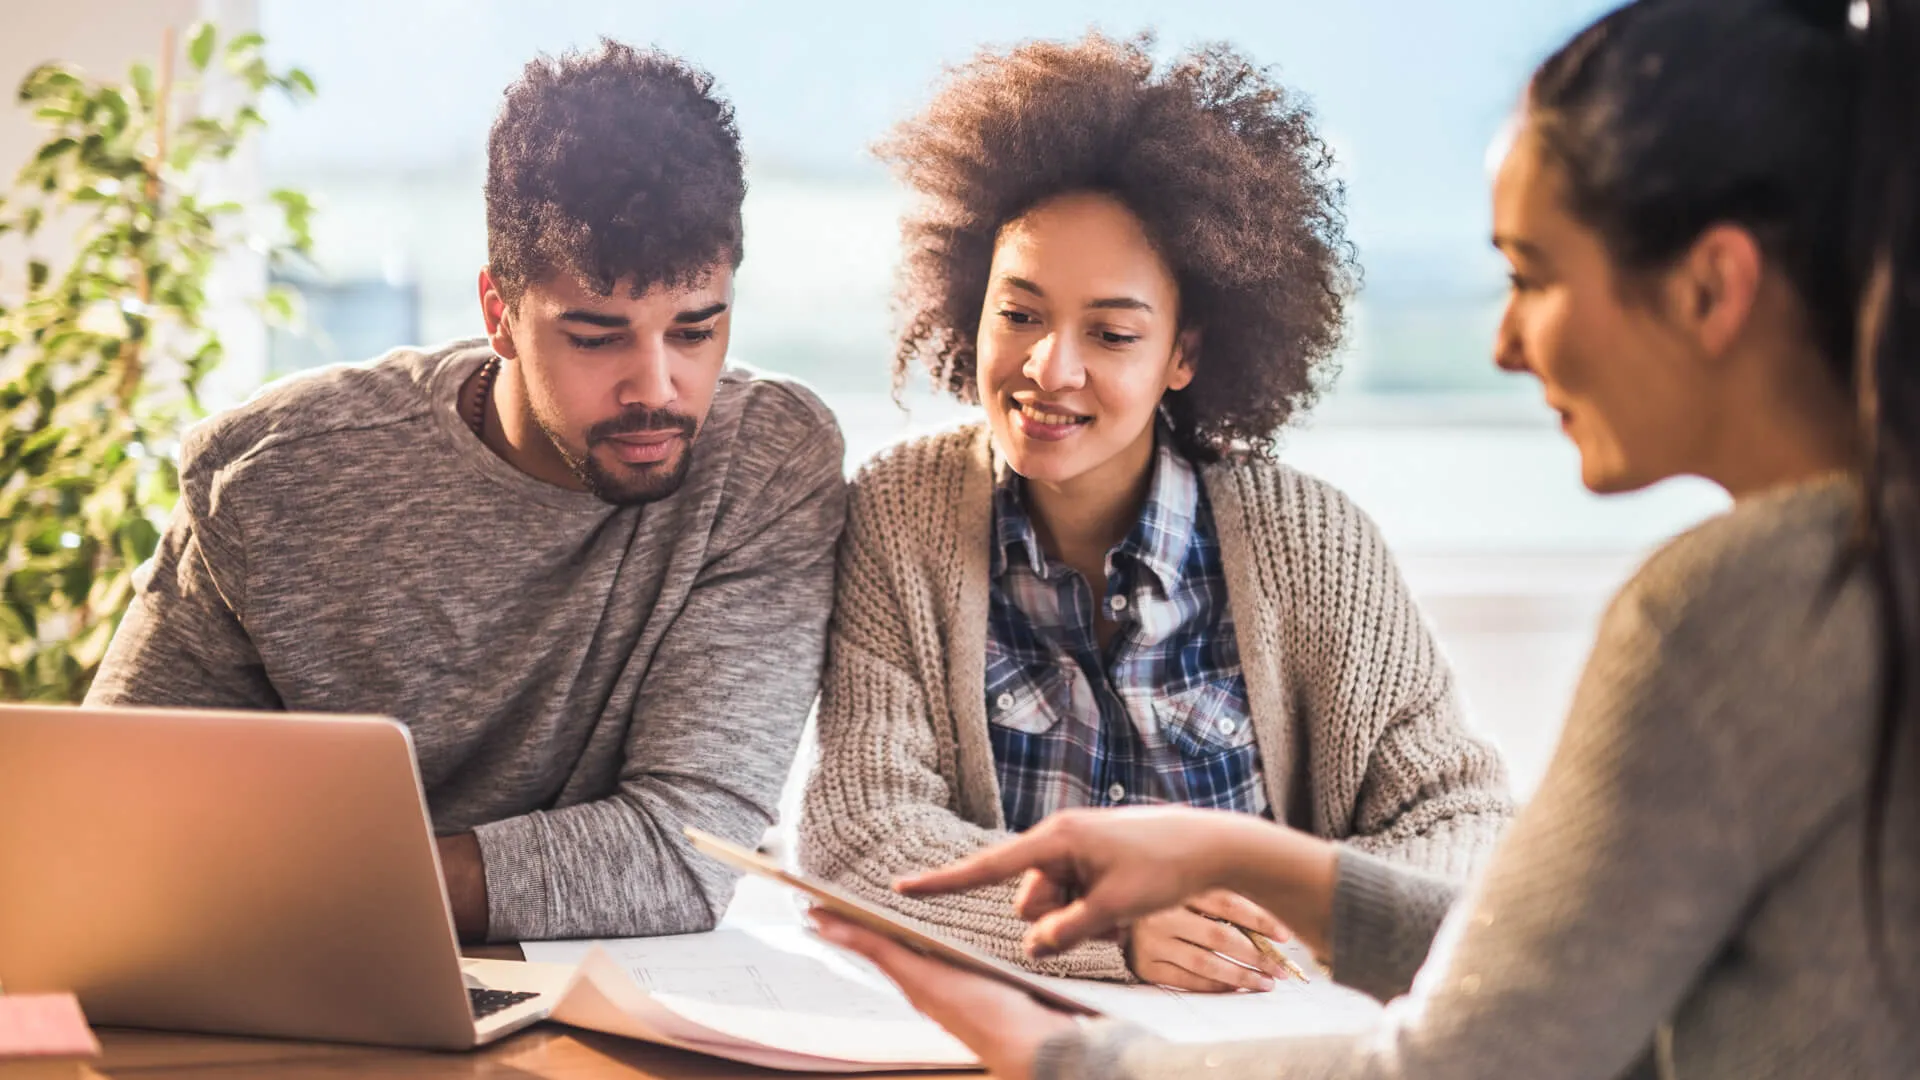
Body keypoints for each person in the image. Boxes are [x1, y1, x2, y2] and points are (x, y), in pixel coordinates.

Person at [810, 1, 1920, 1076]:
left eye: (1530, 275)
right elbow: (1569, 980)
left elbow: (1474, 1046)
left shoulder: (1722, 615)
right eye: (1021, 311)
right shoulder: (1841, 572)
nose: (1500, 344)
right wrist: (1237, 868)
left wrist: (1081, 1060)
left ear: (1715, 285)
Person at [85, 42, 847, 945]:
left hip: (566, 997)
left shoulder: (764, 465)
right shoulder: (274, 476)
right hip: (286, 962)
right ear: (499, 314)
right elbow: (112, 810)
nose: (659, 386)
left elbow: (688, 852)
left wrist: (320, 886)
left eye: (695, 329)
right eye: (597, 337)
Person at [797, 32, 1512, 991]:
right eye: (1019, 314)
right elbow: (862, 833)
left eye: (1113, 332)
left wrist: (1274, 922)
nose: (1051, 368)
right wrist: (1109, 938)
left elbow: (1461, 820)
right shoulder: (902, 513)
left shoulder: (1311, 543)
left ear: (1183, 355)